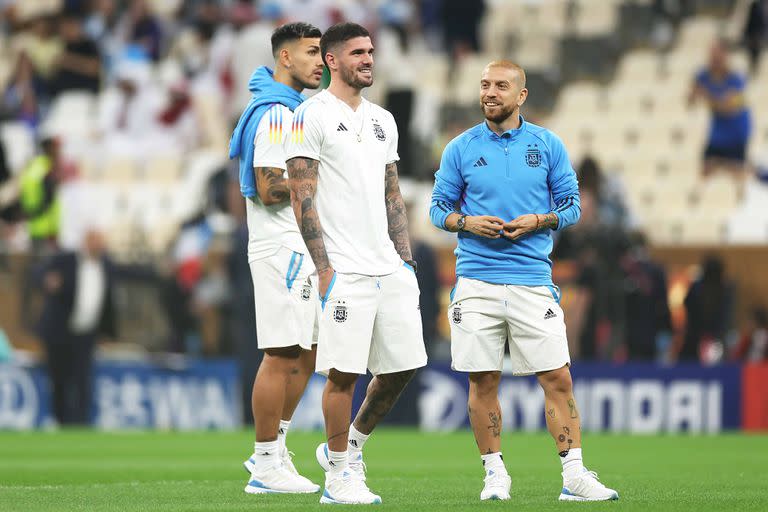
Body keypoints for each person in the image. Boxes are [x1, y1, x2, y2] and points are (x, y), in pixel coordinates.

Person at [429, 60, 618, 502]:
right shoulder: (459, 147)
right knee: (482, 381)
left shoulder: (547, 145)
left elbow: (572, 205)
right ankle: (494, 474)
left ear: (522, 95)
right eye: (484, 85)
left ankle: (574, 474)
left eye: (500, 85)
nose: (489, 92)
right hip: (477, 280)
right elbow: (437, 208)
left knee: (558, 378)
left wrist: (541, 219)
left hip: (533, 279)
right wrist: (465, 223)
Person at [285, 22, 428, 505]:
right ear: (332, 61)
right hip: (343, 267)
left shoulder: (384, 120)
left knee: (405, 366)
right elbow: (301, 196)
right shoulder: (311, 115)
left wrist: (405, 261)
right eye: (358, 52)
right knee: (343, 375)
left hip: (389, 265)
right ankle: (339, 477)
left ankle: (353, 445)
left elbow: (393, 195)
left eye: (371, 51)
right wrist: (324, 269)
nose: (368, 59)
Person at [228, 22, 325, 495]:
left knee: (305, 354)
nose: (320, 62)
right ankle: (264, 461)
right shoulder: (275, 115)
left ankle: (276, 450)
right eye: (311, 52)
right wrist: (325, 181)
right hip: (280, 245)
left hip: (300, 246)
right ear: (285, 58)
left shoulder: (296, 111)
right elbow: (268, 189)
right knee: (281, 353)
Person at [35, 229, 115, 425]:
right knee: (59, 380)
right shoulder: (65, 260)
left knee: (83, 381)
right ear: (86, 241)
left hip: (86, 334)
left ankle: (81, 424)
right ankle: (59, 421)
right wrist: (47, 281)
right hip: (60, 333)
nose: (99, 246)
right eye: (95, 241)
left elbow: (111, 298)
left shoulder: (106, 265)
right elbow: (38, 273)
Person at [689, 41, 752, 178]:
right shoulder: (702, 75)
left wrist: (706, 96)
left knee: (737, 171)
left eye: (718, 55)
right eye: (712, 55)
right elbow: (690, 101)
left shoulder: (735, 78)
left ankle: (755, 174)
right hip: (717, 132)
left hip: (737, 131)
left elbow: (729, 107)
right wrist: (694, 94)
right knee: (706, 171)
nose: (714, 59)